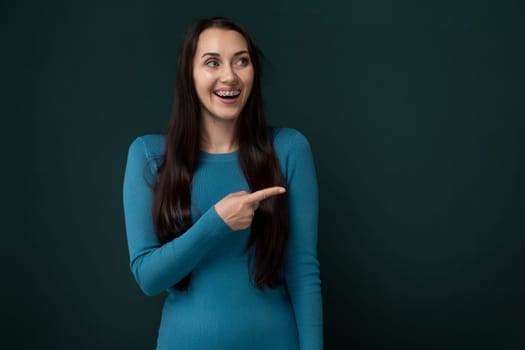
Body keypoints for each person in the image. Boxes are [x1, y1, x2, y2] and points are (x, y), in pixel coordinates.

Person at [123, 17, 323, 350]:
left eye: (241, 61)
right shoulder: (148, 156)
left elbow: (303, 273)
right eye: (212, 62)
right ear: (190, 74)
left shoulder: (289, 149)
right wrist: (216, 222)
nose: (229, 76)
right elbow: (148, 277)